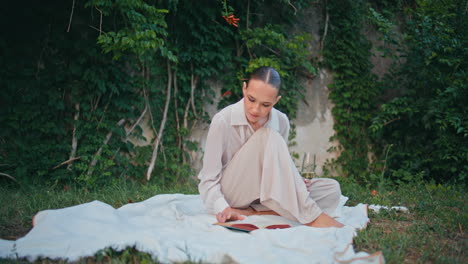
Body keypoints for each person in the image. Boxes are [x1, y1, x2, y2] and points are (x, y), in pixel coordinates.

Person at [198, 66, 344, 228]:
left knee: (331, 190)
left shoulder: (281, 121)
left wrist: (294, 180)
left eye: (266, 104)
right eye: (251, 99)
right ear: (244, 89)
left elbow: (275, 164)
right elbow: (207, 180)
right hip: (232, 194)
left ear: (276, 101)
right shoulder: (223, 120)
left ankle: (254, 212)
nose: (255, 109)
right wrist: (223, 207)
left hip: (261, 197)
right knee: (267, 135)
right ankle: (311, 217)